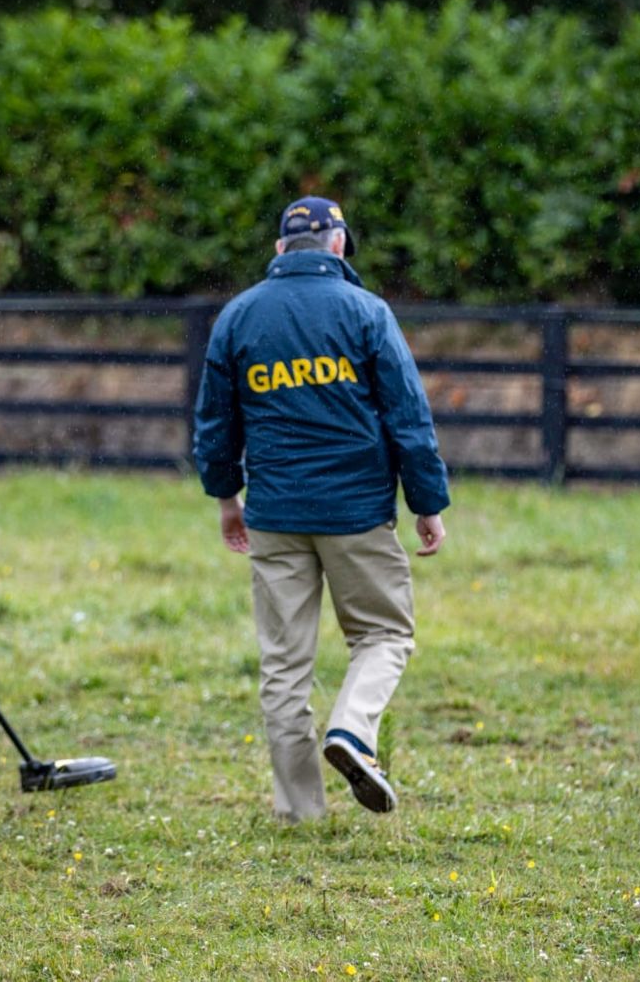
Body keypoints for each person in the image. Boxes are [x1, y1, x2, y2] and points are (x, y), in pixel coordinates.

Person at [193, 196, 450, 822]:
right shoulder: (367, 312)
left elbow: (215, 424)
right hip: (357, 513)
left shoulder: (238, 317)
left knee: (284, 666)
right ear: (338, 247)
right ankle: (354, 731)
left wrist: (228, 499)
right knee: (384, 635)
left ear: (281, 250)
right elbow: (408, 420)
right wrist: (427, 503)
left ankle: (300, 811)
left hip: (274, 513)